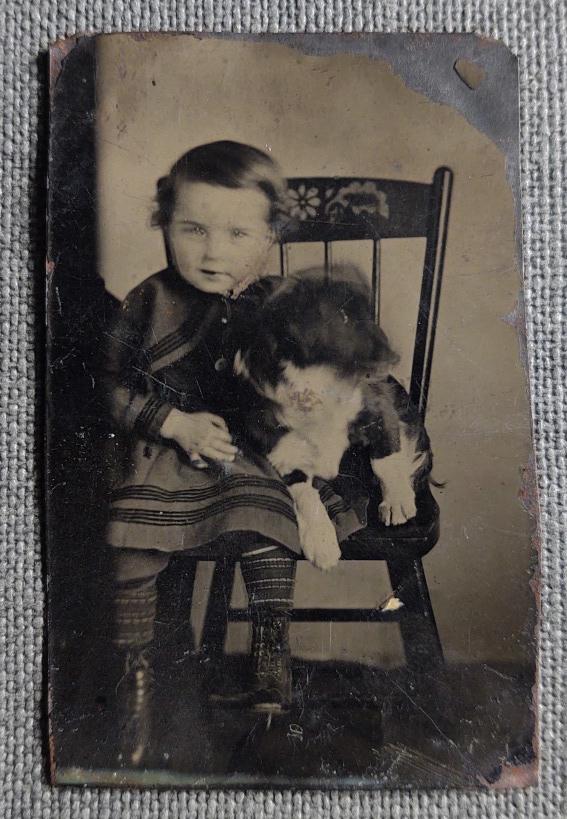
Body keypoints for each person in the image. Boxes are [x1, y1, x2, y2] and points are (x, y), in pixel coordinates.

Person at [102, 141, 365, 766]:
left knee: (266, 522)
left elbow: (329, 371)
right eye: (192, 228)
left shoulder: (277, 302)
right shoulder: (149, 301)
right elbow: (105, 385)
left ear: (269, 237)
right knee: (133, 535)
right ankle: (137, 686)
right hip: (164, 454)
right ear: (164, 223)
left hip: (254, 452)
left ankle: (271, 669)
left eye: (237, 232)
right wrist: (172, 422)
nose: (212, 251)